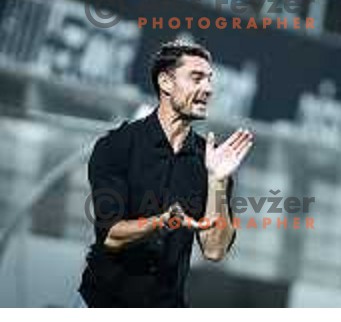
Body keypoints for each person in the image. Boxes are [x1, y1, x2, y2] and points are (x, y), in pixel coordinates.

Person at [77, 40, 254, 307]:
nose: (208, 89)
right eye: (196, 78)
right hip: (101, 302)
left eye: (209, 80)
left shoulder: (212, 160)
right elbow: (111, 235)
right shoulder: (118, 145)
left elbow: (214, 250)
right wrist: (165, 222)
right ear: (166, 83)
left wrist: (218, 180)